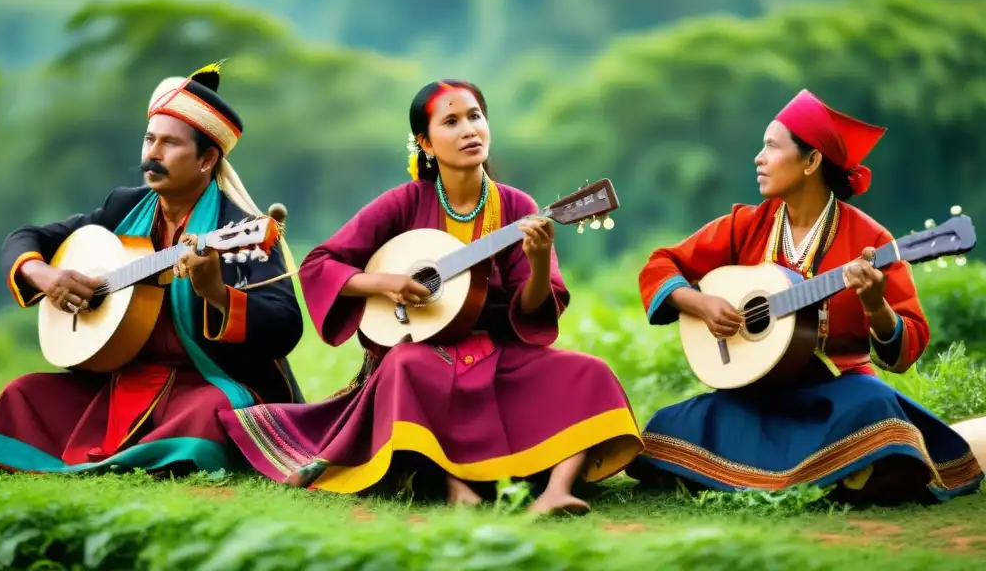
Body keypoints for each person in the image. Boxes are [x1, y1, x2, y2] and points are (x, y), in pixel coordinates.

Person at [218, 80, 642, 514]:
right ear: (425, 142)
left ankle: (557, 491)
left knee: (589, 371)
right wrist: (386, 284)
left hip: (498, 351)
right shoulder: (404, 202)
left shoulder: (516, 206)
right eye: (451, 122)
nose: (468, 130)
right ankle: (453, 484)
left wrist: (538, 259)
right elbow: (319, 263)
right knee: (404, 366)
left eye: (475, 117)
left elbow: (534, 309)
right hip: (426, 350)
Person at [625, 89, 984, 504]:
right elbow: (660, 264)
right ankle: (836, 476)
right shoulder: (747, 224)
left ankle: (759, 473)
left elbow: (906, 348)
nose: (758, 158)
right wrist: (699, 302)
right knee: (664, 429)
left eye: (771, 147)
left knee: (877, 408)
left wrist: (875, 306)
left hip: (836, 398)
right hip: (756, 394)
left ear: (812, 161)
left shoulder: (870, 240)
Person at [0, 64, 305, 475]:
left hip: (202, 384)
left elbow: (286, 325)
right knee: (22, 395)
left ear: (206, 159)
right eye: (150, 139)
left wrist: (216, 293)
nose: (153, 154)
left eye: (169, 144)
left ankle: (140, 458)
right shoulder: (124, 208)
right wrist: (47, 276)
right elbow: (25, 238)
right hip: (118, 381)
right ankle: (142, 457)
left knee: (213, 416)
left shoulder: (240, 229)